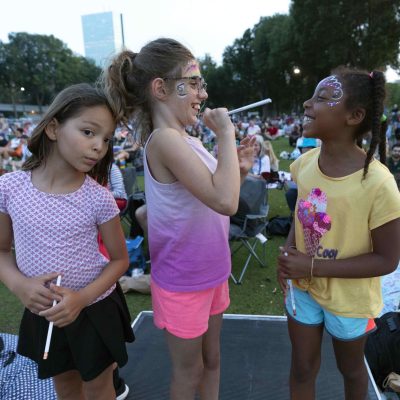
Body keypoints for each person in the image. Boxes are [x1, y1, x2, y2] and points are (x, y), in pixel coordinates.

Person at [101, 37, 254, 400]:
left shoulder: (188, 139)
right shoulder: (165, 141)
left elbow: (212, 197)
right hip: (184, 283)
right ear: (161, 88)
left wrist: (241, 169)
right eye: (195, 83)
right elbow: (226, 201)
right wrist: (227, 134)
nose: (202, 94)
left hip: (212, 272)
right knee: (190, 374)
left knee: (212, 361)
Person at [0, 83, 135, 400]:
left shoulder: (99, 198)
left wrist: (82, 298)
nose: (99, 146)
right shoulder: (9, 188)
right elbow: (1, 251)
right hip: (45, 312)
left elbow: (120, 260)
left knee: (99, 386)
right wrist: (20, 285)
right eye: (89, 132)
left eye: (105, 139)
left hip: (94, 309)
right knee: (64, 386)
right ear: (53, 128)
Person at [277, 67, 400, 400]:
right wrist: (289, 254)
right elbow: (301, 215)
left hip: (351, 301)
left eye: (321, 98)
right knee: (302, 368)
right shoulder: (304, 164)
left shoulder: (378, 184)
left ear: (354, 115)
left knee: (351, 370)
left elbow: (387, 259)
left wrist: (313, 266)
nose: (307, 104)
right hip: (302, 290)